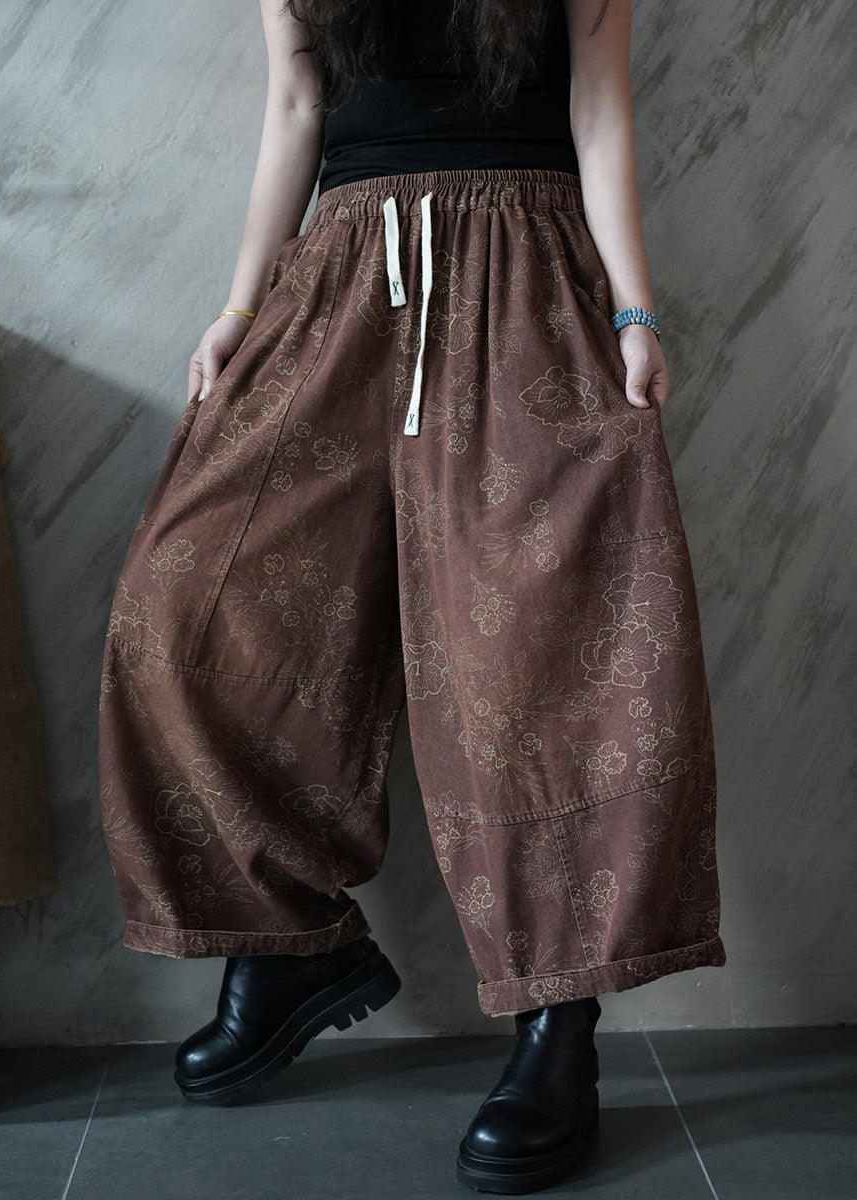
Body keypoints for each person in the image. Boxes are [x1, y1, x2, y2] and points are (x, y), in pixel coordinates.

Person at [98, 0, 727, 1191]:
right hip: (340, 277)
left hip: (525, 269)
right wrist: (237, 309)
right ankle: (288, 946)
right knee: (179, 605)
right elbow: (296, 105)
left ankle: (559, 1025)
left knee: (534, 653)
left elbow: (599, 106)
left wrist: (634, 311)